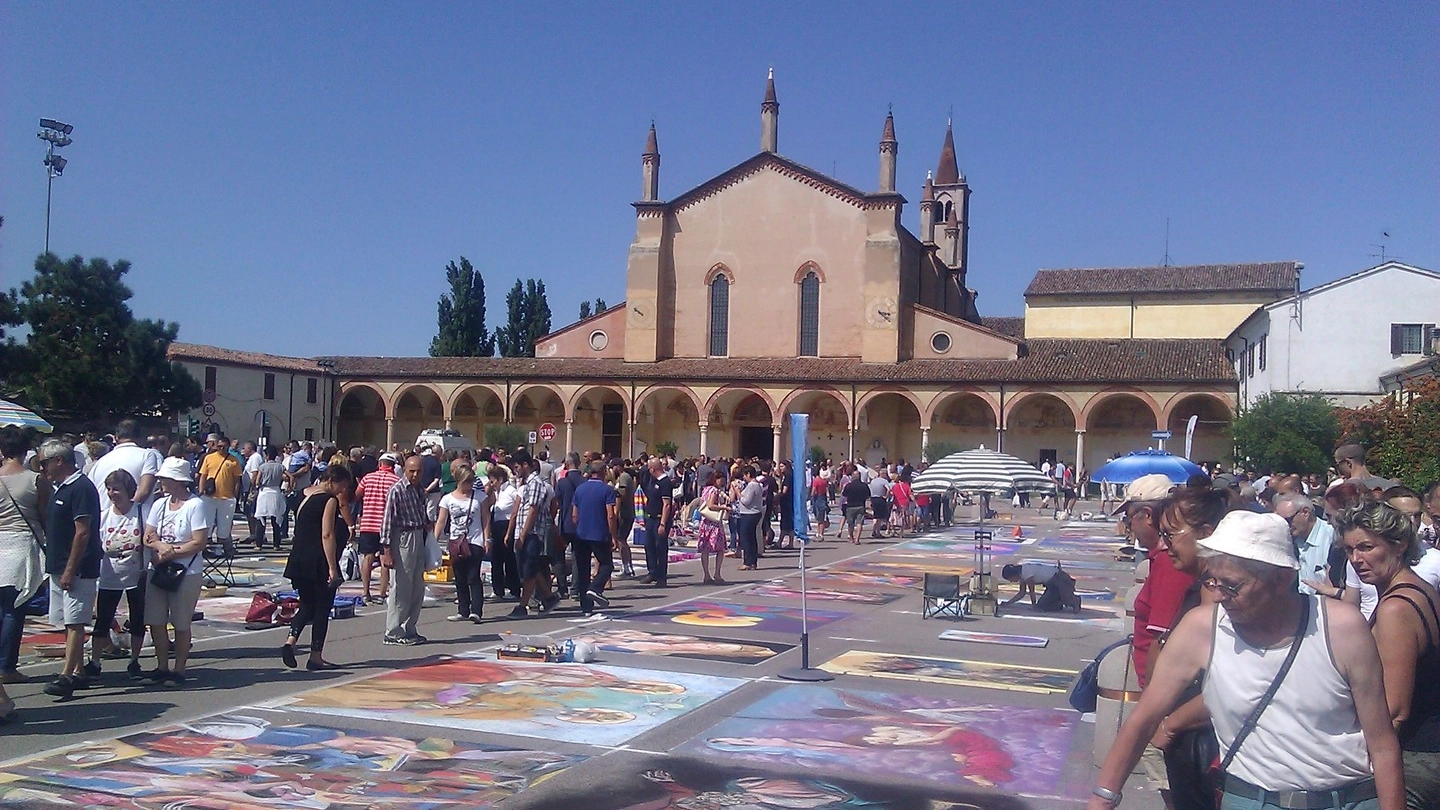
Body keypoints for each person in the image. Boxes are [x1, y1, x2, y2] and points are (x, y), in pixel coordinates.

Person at [1087, 510, 1403, 810]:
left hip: (1347, 799)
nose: (1220, 594)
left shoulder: (1341, 628)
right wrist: (1103, 798)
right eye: (1212, 581)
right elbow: (1143, 719)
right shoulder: (1201, 629)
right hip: (1251, 799)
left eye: (1232, 585)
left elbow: (1383, 744)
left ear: (1281, 580)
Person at [1333, 500, 1440, 809]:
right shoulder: (1420, 590)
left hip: (1415, 759)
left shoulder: (1396, 608)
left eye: (1367, 547)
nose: (1356, 559)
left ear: (1400, 544)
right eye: (1350, 550)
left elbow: (1395, 710)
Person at [36, 440, 103, 699]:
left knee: (75, 621)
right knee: (66, 620)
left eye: (45, 463)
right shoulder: (59, 488)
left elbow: (82, 532)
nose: (43, 469)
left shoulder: (81, 488)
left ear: (59, 461)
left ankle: (66, 675)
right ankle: (78, 671)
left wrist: (70, 569)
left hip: (77, 568)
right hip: (59, 565)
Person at [141, 457, 213, 688]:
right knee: (155, 620)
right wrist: (162, 548)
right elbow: (148, 535)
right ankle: (162, 665)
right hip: (159, 567)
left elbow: (199, 542)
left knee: (181, 622)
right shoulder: (159, 504)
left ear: (178, 481)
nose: (161, 481)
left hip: (186, 571)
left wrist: (171, 552)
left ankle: (179, 669)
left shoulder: (195, 505)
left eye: (165, 478)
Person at [280, 464, 352, 671]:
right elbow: (327, 534)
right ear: (331, 481)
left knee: (307, 604)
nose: (341, 491)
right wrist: (332, 567)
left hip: (298, 558)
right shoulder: (328, 500)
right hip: (317, 560)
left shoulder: (304, 495)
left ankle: (290, 642)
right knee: (322, 608)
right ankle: (316, 656)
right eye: (341, 486)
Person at [0, 428, 49, 709]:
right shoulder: (35, 480)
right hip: (21, 546)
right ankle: (6, 665)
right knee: (14, 609)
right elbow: (44, 517)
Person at [88, 469, 148, 681]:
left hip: (137, 574)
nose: (112, 493)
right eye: (109, 489)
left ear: (129, 491)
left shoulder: (142, 512)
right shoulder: (104, 516)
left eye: (117, 489)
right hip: (109, 574)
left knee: (138, 618)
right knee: (103, 618)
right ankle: (95, 662)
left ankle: (134, 660)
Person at [380, 455, 430, 645]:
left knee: (417, 584)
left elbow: (422, 512)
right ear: (405, 470)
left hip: (418, 534)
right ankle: (393, 630)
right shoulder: (397, 490)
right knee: (401, 585)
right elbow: (387, 520)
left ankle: (410, 627)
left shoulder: (419, 490)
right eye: (411, 471)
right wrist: (386, 549)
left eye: (418, 471)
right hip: (403, 537)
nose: (415, 475)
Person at [506, 451, 560, 617]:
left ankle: (522, 606)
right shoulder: (527, 484)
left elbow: (533, 510)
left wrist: (522, 535)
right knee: (530, 568)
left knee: (529, 570)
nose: (516, 471)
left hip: (532, 532)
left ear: (525, 465)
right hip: (526, 532)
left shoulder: (535, 483)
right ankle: (549, 597)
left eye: (517, 467)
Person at [436, 464, 486, 624]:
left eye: (471, 481)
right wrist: (433, 541)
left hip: (475, 541)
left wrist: (487, 538)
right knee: (459, 577)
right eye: (466, 481)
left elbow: (486, 519)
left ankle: (476, 611)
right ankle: (463, 610)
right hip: (456, 541)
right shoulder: (447, 499)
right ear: (458, 480)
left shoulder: (479, 496)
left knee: (473, 576)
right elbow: (441, 521)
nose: (469, 485)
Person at [570, 460, 619, 615]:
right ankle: (595, 588)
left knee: (583, 569)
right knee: (606, 565)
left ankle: (586, 607)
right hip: (599, 533)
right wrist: (613, 536)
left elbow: (574, 515)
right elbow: (610, 515)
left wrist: (579, 526)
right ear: (603, 472)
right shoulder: (607, 490)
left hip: (581, 534)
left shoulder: (580, 489)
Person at [353, 451, 399, 604]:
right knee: (385, 558)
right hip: (386, 525)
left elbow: (356, 495)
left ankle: (365, 592)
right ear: (393, 466)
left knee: (367, 557)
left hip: (368, 522)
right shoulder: (395, 481)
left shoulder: (368, 478)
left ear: (380, 464)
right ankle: (382, 593)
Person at [86, 419, 158, 516]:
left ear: (115, 438)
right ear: (140, 437)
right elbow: (145, 490)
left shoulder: (100, 462)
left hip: (103, 521)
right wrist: (125, 513)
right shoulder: (148, 455)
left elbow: (89, 495)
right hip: (134, 521)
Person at [1273, 492, 1337, 596]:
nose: (1285, 526)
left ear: (1305, 512)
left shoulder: (1331, 538)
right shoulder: (1289, 540)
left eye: (1288, 520)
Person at [197, 433, 242, 555]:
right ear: (216, 446)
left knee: (225, 525)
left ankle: (225, 547)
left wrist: (235, 495)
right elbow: (203, 475)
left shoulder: (233, 460)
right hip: (209, 496)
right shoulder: (209, 458)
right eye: (220, 446)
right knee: (207, 523)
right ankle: (205, 548)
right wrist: (201, 490)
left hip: (227, 497)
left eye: (224, 447)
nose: (222, 449)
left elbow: (237, 480)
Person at [486, 464, 521, 601]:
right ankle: (497, 589)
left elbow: (516, 509)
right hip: (495, 525)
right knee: (496, 559)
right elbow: (489, 506)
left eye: (493, 481)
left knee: (509, 559)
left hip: (507, 526)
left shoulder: (511, 491)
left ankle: (514, 589)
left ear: (500, 479)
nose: (491, 484)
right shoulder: (495, 492)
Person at [637, 457, 675, 586]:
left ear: (653, 468)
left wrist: (663, 523)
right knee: (649, 546)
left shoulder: (665, 482)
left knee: (660, 548)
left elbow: (667, 504)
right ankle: (652, 572)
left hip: (660, 518)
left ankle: (661, 577)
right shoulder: (652, 481)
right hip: (650, 518)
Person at [1000, 561, 1080, 613]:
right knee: (1043, 605)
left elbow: (1032, 591)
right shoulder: (1021, 575)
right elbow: (1022, 593)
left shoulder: (1026, 573)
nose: (1011, 581)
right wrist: (1008, 603)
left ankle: (1074, 600)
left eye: (1010, 579)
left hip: (1059, 580)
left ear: (1013, 575)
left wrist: (1034, 605)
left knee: (1041, 606)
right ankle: (1058, 602)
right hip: (1051, 584)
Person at [695, 469, 730, 584]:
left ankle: (706, 574)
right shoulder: (714, 490)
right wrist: (724, 507)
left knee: (705, 549)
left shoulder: (705, 489)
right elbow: (711, 505)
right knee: (719, 549)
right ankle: (717, 573)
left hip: (705, 522)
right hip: (713, 522)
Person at [251, 446, 288, 550]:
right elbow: (291, 477)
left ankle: (259, 544)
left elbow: (257, 481)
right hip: (276, 491)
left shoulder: (262, 466)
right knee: (275, 520)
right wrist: (289, 489)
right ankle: (276, 544)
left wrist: (257, 485)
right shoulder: (280, 466)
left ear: (267, 455)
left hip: (264, 492)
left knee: (261, 518)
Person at [731, 465, 765, 570]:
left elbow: (746, 501)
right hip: (753, 513)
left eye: (745, 475)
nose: (744, 478)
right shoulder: (757, 485)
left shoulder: (752, 485)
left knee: (746, 538)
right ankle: (752, 561)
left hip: (749, 514)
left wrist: (738, 493)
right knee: (751, 538)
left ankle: (748, 562)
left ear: (749, 474)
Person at [611, 457, 637, 579]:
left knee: (621, 540)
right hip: (626, 513)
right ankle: (627, 566)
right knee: (622, 540)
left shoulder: (624, 477)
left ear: (618, 467)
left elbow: (622, 495)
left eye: (613, 467)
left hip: (625, 513)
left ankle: (626, 567)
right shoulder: (622, 478)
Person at [841, 472, 871, 544]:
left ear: (852, 477)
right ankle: (857, 539)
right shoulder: (864, 485)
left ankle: (851, 538)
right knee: (859, 523)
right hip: (861, 505)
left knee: (850, 523)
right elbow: (868, 496)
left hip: (850, 506)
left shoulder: (849, 485)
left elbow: (844, 494)